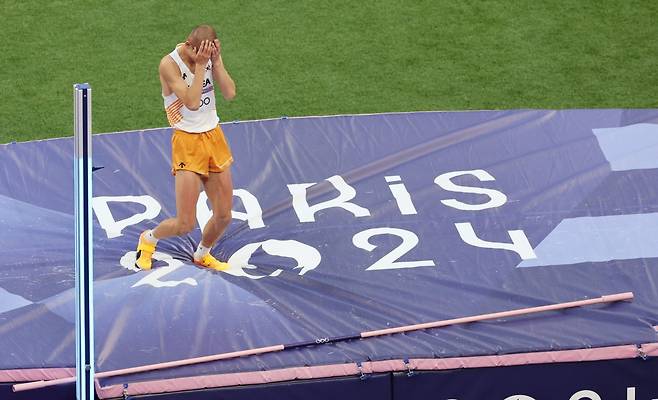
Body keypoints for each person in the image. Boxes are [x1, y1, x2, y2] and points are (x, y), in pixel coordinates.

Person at [135, 24, 236, 271]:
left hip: (214, 136)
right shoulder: (169, 64)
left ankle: (202, 254)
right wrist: (202, 65)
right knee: (185, 223)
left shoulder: (209, 58)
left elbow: (230, 93)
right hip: (187, 141)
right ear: (189, 43)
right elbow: (191, 102)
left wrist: (218, 61)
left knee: (224, 215)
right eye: (196, 51)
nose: (199, 56)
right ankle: (148, 239)